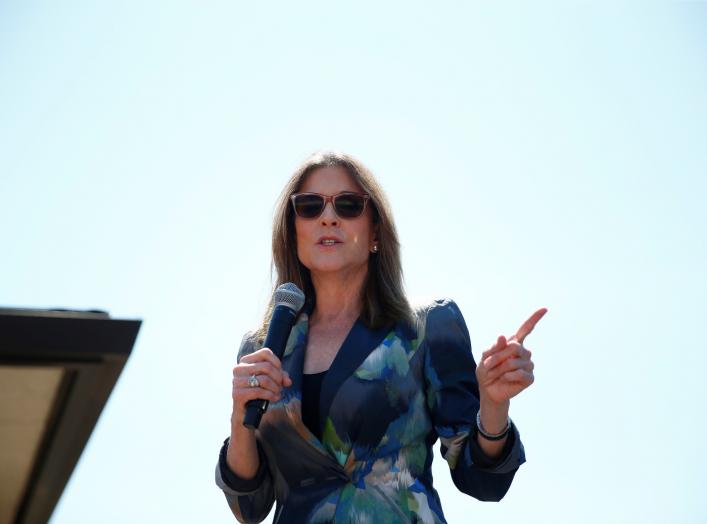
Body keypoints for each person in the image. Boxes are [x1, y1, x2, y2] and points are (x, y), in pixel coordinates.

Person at [215, 151, 546, 523]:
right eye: (309, 207)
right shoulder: (262, 349)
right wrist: (239, 419)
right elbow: (249, 506)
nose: (328, 217)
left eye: (348, 205)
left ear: (375, 231)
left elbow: (483, 481)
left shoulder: (428, 326)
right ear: (293, 232)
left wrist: (494, 405)